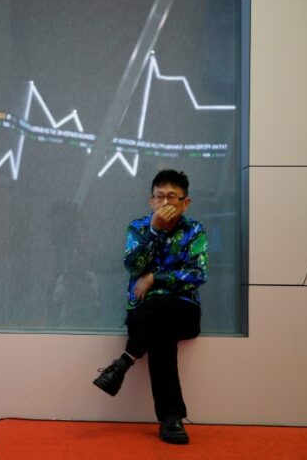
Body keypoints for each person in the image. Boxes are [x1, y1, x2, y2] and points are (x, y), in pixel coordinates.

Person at [92, 169, 208, 445]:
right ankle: (171, 419)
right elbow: (133, 266)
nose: (164, 202)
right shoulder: (139, 228)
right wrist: (154, 230)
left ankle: (124, 362)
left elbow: (198, 274)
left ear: (185, 203)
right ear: (150, 200)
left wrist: (155, 277)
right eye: (159, 196)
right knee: (161, 336)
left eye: (172, 197)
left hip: (184, 311)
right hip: (143, 313)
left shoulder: (194, 230)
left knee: (163, 306)